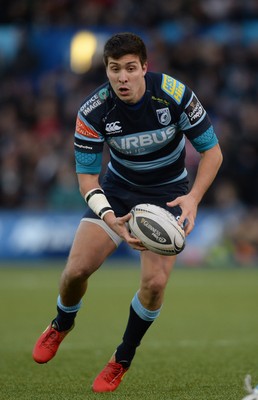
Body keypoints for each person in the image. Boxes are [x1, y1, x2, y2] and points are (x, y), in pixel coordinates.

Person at [32, 32, 223, 392]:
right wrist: (109, 219)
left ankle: (122, 358)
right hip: (118, 191)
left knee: (154, 284)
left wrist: (194, 197)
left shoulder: (174, 95)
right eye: (115, 69)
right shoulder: (93, 110)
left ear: (144, 68)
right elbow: (87, 180)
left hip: (169, 193)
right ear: (106, 70)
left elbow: (213, 152)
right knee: (75, 271)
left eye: (130, 69)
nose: (122, 77)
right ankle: (62, 322)